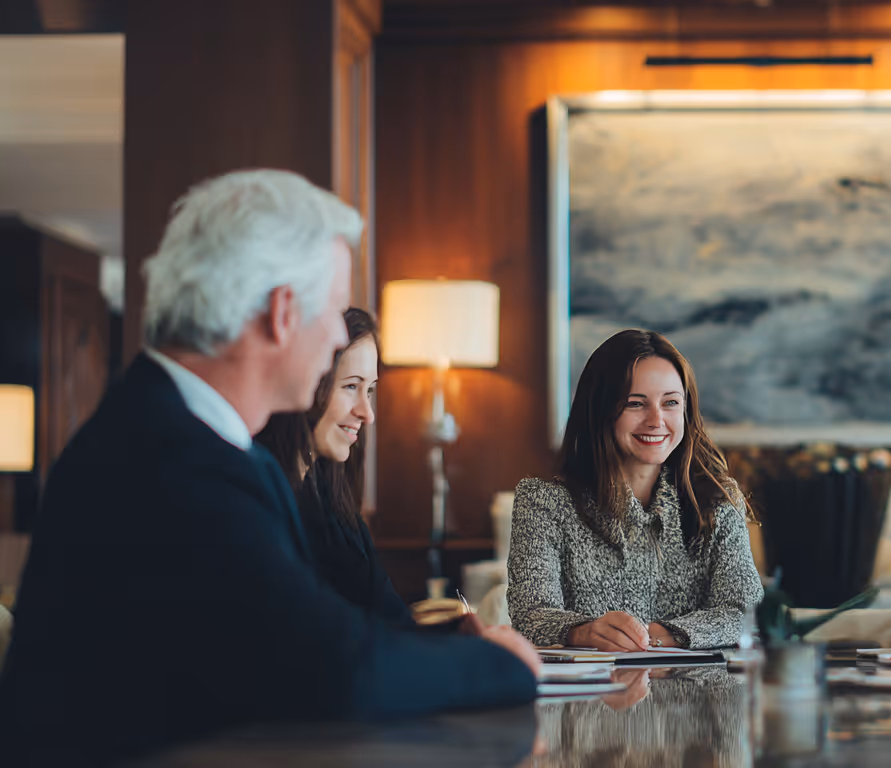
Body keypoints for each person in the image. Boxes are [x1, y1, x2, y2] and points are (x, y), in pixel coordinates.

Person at [0, 170, 541, 764]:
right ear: (283, 313)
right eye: (335, 312)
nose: (339, 333)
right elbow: (334, 671)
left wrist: (441, 641)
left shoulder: (173, 432)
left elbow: (306, 635)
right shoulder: (177, 459)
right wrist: (498, 666)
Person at [506, 329, 763, 651]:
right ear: (599, 409)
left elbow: (747, 613)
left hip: (699, 694)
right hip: (592, 697)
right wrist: (581, 632)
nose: (656, 420)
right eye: (635, 404)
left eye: (670, 402)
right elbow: (530, 616)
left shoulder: (718, 498)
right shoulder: (542, 500)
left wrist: (660, 634)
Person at [254, 307, 412, 625]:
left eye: (369, 391)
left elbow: (395, 622)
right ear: (311, 383)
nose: (367, 413)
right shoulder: (261, 500)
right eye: (351, 387)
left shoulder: (334, 503)